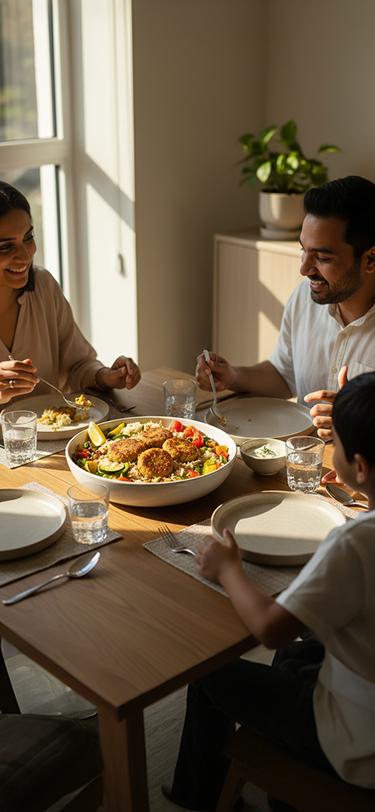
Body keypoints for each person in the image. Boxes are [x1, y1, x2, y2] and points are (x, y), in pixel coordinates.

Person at [162, 371, 375, 812]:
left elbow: (270, 629)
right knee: (298, 655)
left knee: (210, 675)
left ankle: (196, 799)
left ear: (360, 466)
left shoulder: (356, 542)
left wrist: (228, 570)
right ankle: (283, 799)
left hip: (359, 745)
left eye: (334, 442)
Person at [196, 176, 375, 446]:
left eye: (323, 258)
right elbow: (284, 375)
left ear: (370, 259)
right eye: (303, 250)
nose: (304, 269)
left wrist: (358, 423)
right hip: (300, 462)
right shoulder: (304, 298)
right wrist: (234, 376)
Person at [0, 181, 141, 405]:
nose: (26, 256)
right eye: (6, 246)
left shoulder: (44, 286)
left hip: (51, 439)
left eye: (28, 238)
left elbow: (77, 365)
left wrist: (105, 376)